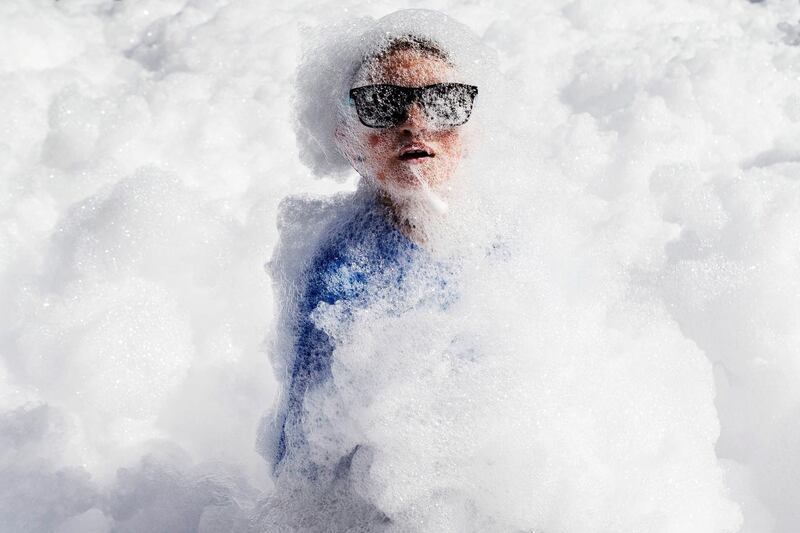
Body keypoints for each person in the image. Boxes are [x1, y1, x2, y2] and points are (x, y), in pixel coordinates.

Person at [265, 18, 481, 486]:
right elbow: (305, 460)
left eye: (443, 102)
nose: (415, 124)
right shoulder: (342, 276)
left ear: (469, 132)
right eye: (383, 104)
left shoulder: (507, 244)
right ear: (348, 139)